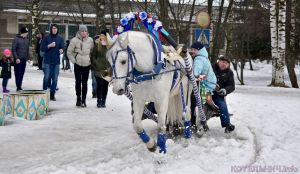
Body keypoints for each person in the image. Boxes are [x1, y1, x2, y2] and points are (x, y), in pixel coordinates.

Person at [190, 41, 217, 130]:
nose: (192, 51)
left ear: (199, 50)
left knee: (194, 100)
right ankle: (203, 120)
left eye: (194, 49)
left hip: (205, 85)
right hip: (210, 83)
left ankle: (195, 122)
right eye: (191, 49)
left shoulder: (199, 59)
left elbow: (195, 73)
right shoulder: (204, 57)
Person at [67, 24, 94, 107]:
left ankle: (83, 100)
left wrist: (91, 61)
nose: (84, 32)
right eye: (82, 31)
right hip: (78, 64)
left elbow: (93, 52)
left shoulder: (90, 40)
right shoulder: (74, 40)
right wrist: (74, 61)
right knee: (78, 82)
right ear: (79, 32)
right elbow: (69, 52)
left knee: (85, 83)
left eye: (85, 31)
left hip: (87, 64)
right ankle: (78, 98)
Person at [41, 24, 64, 101]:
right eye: (53, 28)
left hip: (56, 61)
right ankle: (44, 93)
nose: (54, 30)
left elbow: (62, 47)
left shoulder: (60, 38)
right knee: (47, 77)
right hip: (47, 61)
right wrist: (49, 46)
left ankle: (52, 94)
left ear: (57, 29)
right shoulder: (46, 37)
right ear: (51, 29)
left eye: (56, 28)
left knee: (55, 79)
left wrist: (62, 50)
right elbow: (42, 48)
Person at [212, 56, 235, 133]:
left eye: (226, 63)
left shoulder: (229, 73)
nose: (224, 64)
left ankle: (227, 124)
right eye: (222, 62)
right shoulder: (211, 67)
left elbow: (232, 86)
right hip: (206, 90)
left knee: (222, 104)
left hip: (218, 93)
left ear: (228, 65)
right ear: (218, 62)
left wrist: (225, 90)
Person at [91, 31, 111, 108]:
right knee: (100, 85)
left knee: (105, 85)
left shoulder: (109, 46)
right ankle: (99, 101)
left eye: (103, 35)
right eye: (101, 35)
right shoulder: (97, 45)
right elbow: (93, 56)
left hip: (107, 69)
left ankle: (103, 101)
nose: (102, 37)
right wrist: (97, 64)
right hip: (98, 69)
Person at [11, 26, 30, 91]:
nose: (27, 34)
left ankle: (20, 85)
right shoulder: (16, 39)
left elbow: (27, 50)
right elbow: (13, 49)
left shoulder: (27, 40)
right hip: (18, 60)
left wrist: (28, 58)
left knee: (22, 73)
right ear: (22, 33)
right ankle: (18, 86)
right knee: (17, 73)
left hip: (24, 59)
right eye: (26, 32)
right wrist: (16, 58)